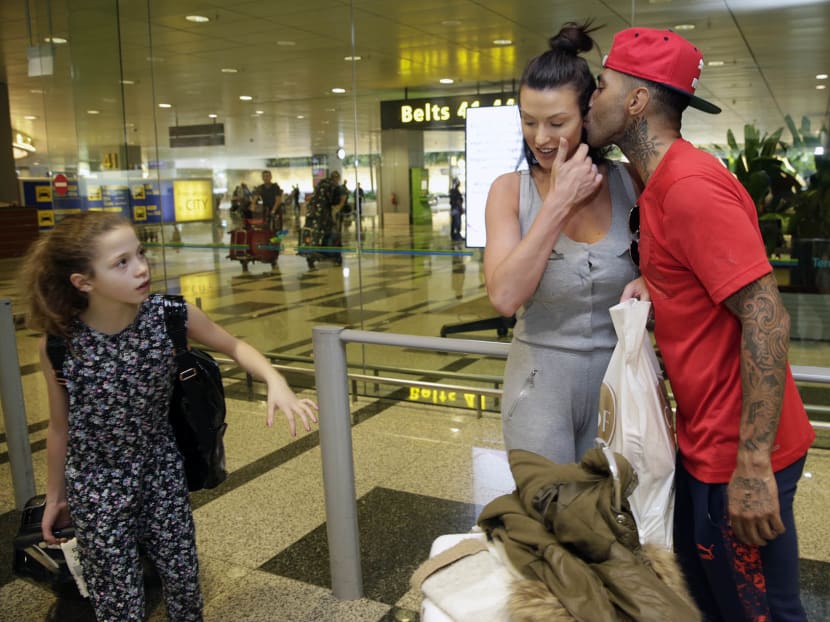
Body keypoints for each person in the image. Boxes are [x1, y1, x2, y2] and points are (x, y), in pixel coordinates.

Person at [585, 27, 815, 621]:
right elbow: (703, 284)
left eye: (603, 84)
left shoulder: (689, 187)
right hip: (706, 443)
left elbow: (766, 317)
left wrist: (754, 466)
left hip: (738, 453)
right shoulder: (659, 182)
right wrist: (655, 287)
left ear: (637, 101)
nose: (592, 96)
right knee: (714, 605)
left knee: (761, 612)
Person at [21, 211, 318, 621]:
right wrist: (56, 497)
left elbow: (234, 345)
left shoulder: (169, 316)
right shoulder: (59, 343)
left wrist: (274, 379)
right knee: (116, 598)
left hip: (161, 470)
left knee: (183, 582)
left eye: (140, 254)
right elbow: (60, 427)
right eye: (121, 262)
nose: (142, 268)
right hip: (95, 484)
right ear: (83, 282)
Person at [483, 21, 642, 465]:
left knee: (612, 521)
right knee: (548, 522)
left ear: (586, 115)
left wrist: (652, 280)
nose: (540, 138)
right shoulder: (509, 191)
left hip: (619, 383)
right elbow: (505, 295)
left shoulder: (629, 182)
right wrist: (557, 203)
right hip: (538, 387)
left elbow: (673, 268)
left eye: (557, 122)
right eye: (528, 121)